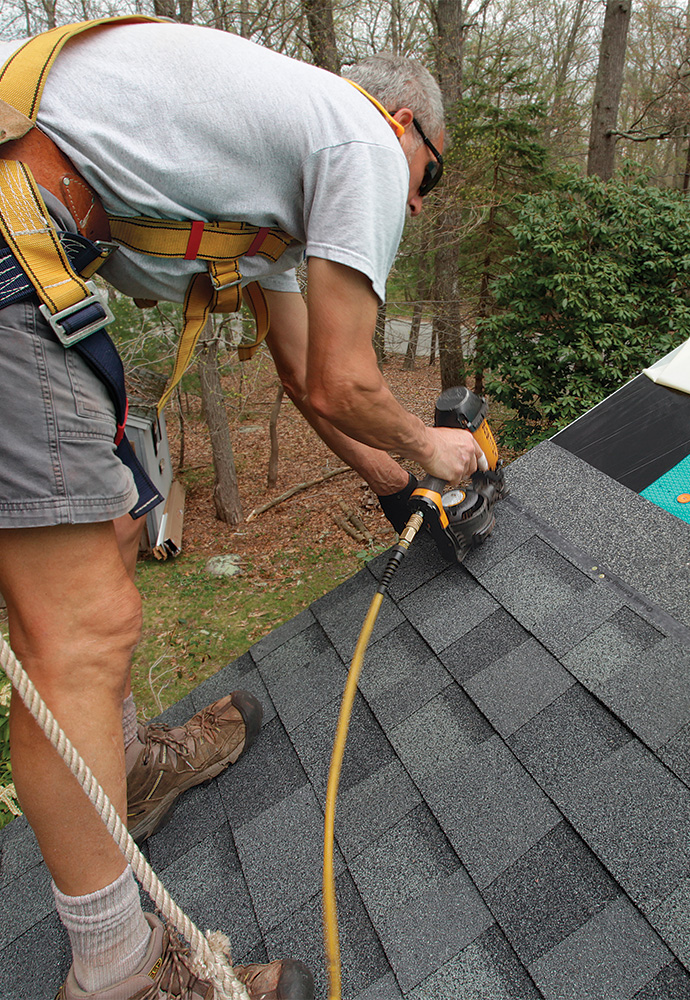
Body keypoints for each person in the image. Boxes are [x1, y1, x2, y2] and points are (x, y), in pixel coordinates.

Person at [0, 18, 482, 1000]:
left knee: (117, 534)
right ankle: (117, 974)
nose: (418, 205)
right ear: (406, 128)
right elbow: (350, 381)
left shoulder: (272, 172)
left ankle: (122, 773)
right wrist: (438, 449)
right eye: (429, 179)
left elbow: (311, 382)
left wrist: (403, 491)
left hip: (35, 252)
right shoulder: (358, 143)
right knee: (78, 632)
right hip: (16, 248)